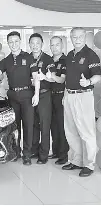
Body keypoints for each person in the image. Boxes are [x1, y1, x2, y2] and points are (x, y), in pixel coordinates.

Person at [0, 31, 40, 165]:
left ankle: (27, 154)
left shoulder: (28, 57)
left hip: (27, 95)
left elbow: (36, 77)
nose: (14, 44)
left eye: (16, 41)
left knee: (28, 126)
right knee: (15, 127)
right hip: (13, 96)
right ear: (8, 43)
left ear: (20, 42)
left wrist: (36, 94)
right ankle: (16, 152)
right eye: (11, 42)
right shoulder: (6, 61)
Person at [62, 27, 101, 177]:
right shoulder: (70, 55)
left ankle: (89, 164)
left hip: (84, 96)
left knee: (87, 132)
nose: (77, 39)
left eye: (79, 37)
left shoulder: (91, 55)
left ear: (85, 38)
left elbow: (98, 75)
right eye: (74, 37)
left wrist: (89, 81)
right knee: (71, 131)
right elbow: (67, 78)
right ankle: (76, 160)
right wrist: (66, 94)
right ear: (71, 38)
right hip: (70, 95)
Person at [29, 33, 56, 164]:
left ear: (42, 45)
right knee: (32, 124)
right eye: (32, 43)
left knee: (45, 125)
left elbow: (53, 77)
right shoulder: (27, 58)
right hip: (30, 95)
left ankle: (43, 155)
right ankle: (33, 150)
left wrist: (45, 76)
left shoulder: (48, 59)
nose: (35, 46)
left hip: (45, 95)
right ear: (29, 44)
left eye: (37, 43)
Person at [49, 36, 69, 165]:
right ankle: (55, 150)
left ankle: (64, 155)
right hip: (50, 96)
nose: (54, 47)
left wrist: (51, 76)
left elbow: (62, 80)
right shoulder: (49, 61)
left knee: (62, 126)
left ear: (62, 46)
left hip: (61, 96)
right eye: (52, 45)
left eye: (57, 45)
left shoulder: (66, 60)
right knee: (53, 125)